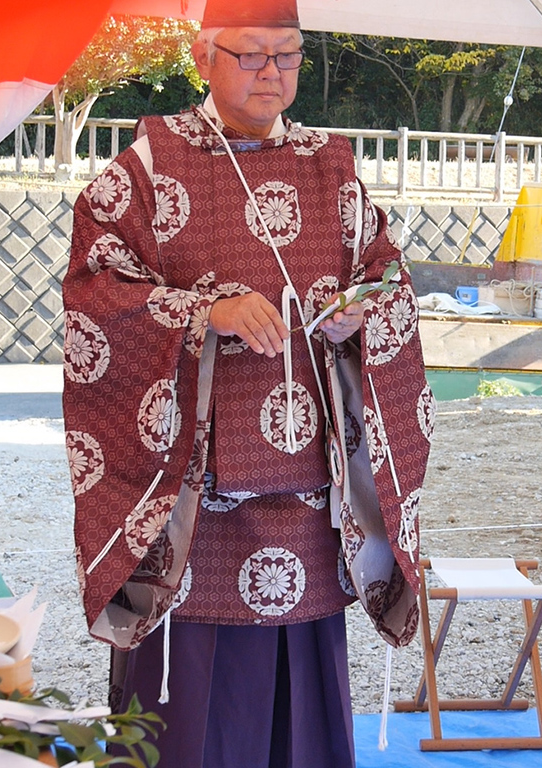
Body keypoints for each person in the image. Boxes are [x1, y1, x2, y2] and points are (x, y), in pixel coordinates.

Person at [60, 0, 434, 765]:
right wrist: (203, 312)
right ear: (203, 57)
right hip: (195, 510)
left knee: (302, 723)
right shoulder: (149, 166)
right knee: (189, 722)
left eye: (289, 56)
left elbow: (387, 276)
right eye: (252, 56)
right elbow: (97, 292)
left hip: (311, 499)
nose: (272, 73)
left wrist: (355, 314)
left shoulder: (332, 165)